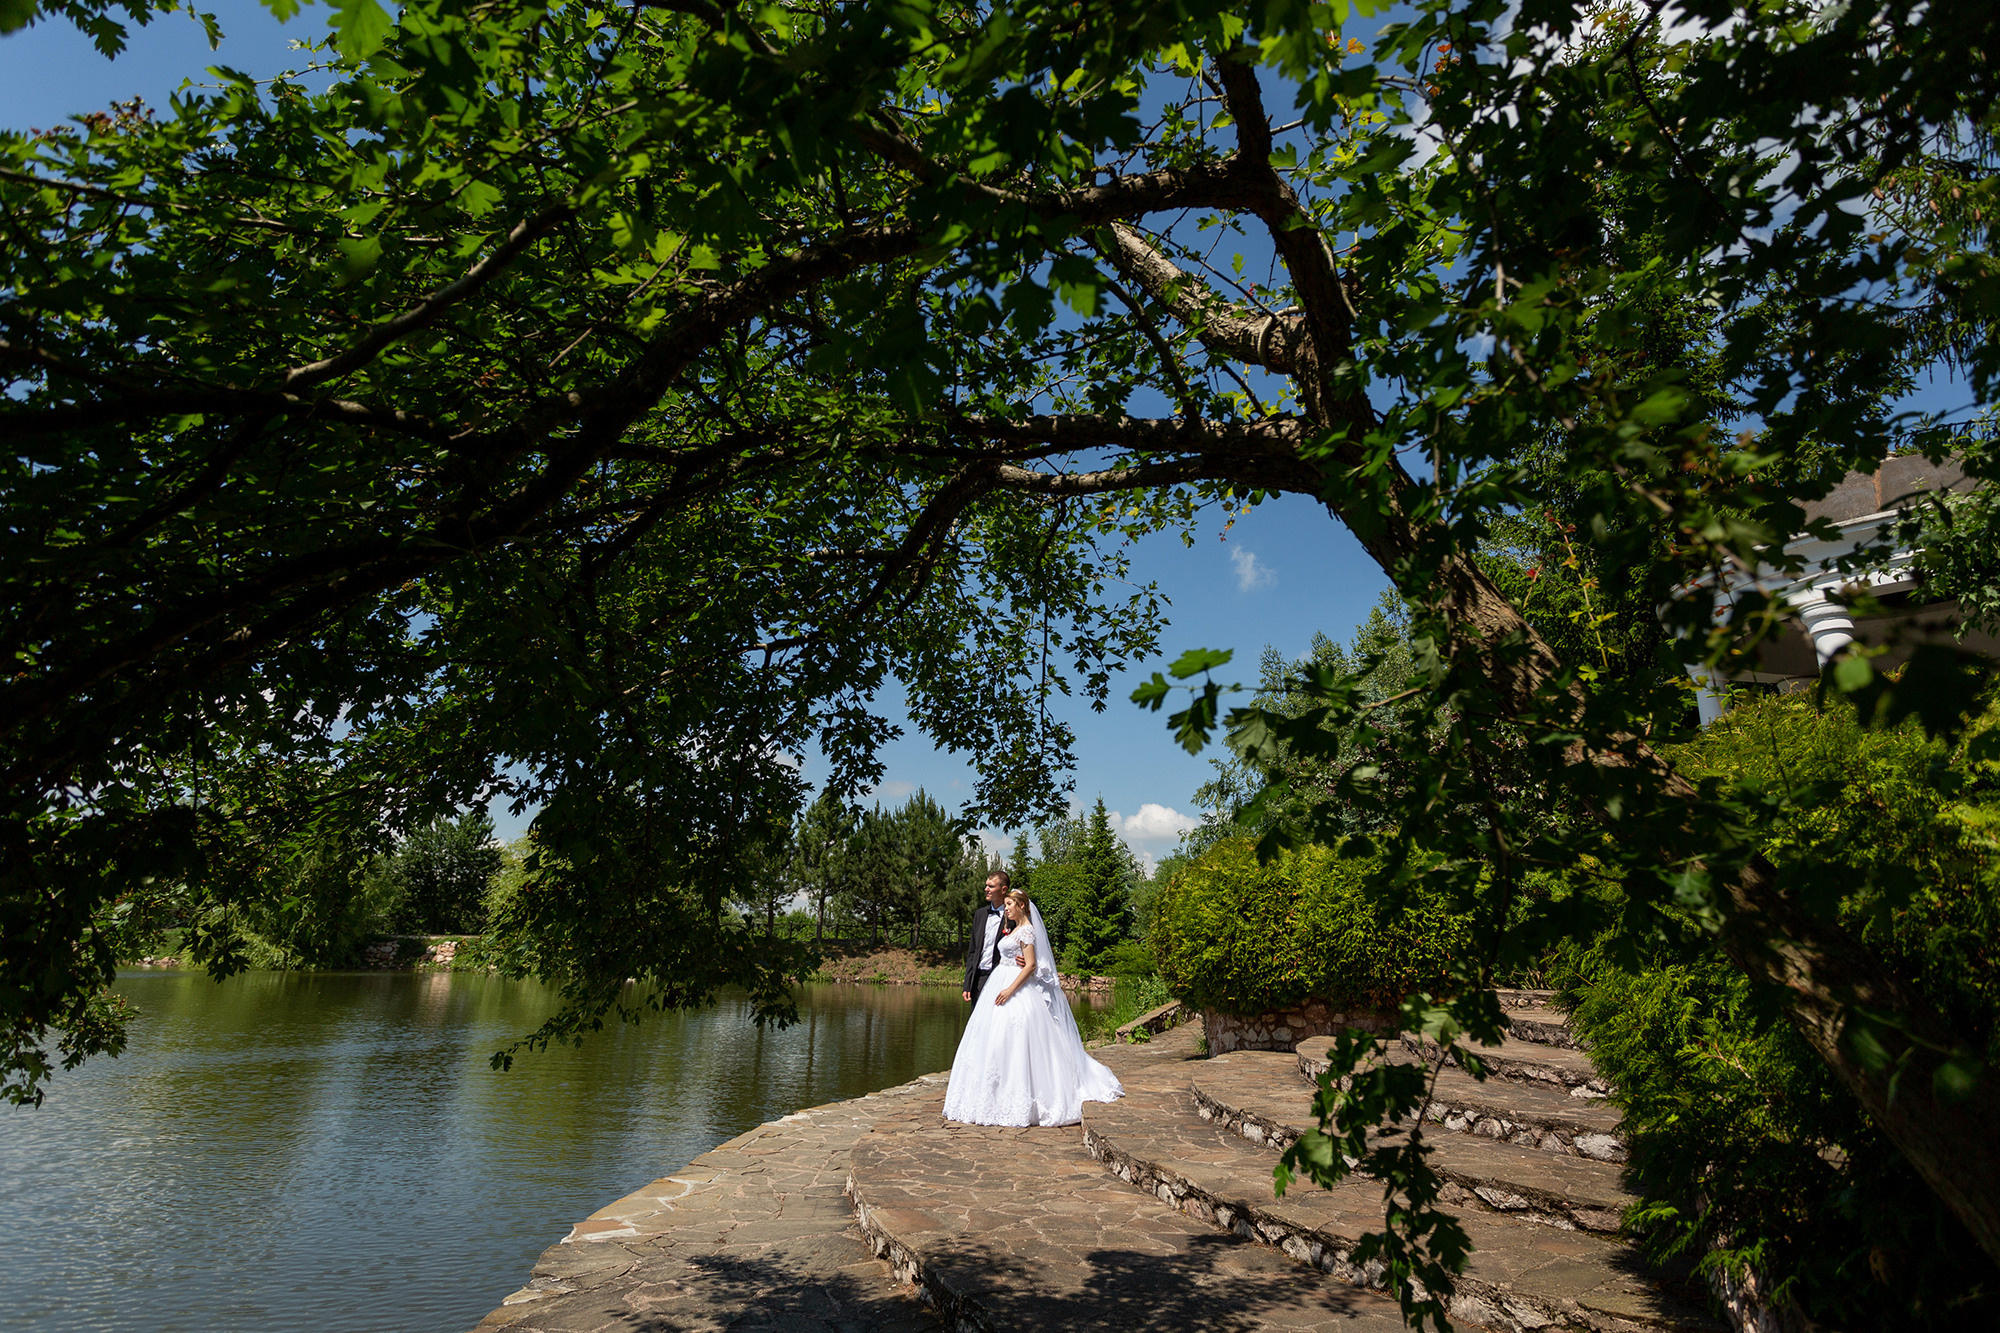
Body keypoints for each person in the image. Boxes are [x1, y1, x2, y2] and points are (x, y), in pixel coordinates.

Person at [941, 887, 1125, 1126]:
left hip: (1015, 987)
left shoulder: (1027, 930)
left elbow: (1030, 965)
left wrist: (1009, 990)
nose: (1005, 908)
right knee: (992, 1040)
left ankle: (1023, 1099)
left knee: (1017, 1039)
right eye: (1005, 904)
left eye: (1009, 904)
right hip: (1000, 981)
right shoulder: (1014, 929)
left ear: (1021, 906)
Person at [961, 869, 1013, 1004]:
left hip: (1001, 979)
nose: (986, 889)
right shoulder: (980, 914)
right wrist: (967, 983)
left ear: (1003, 889)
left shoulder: (1013, 917)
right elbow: (972, 951)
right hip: (978, 979)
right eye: (986, 885)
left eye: (991, 886)